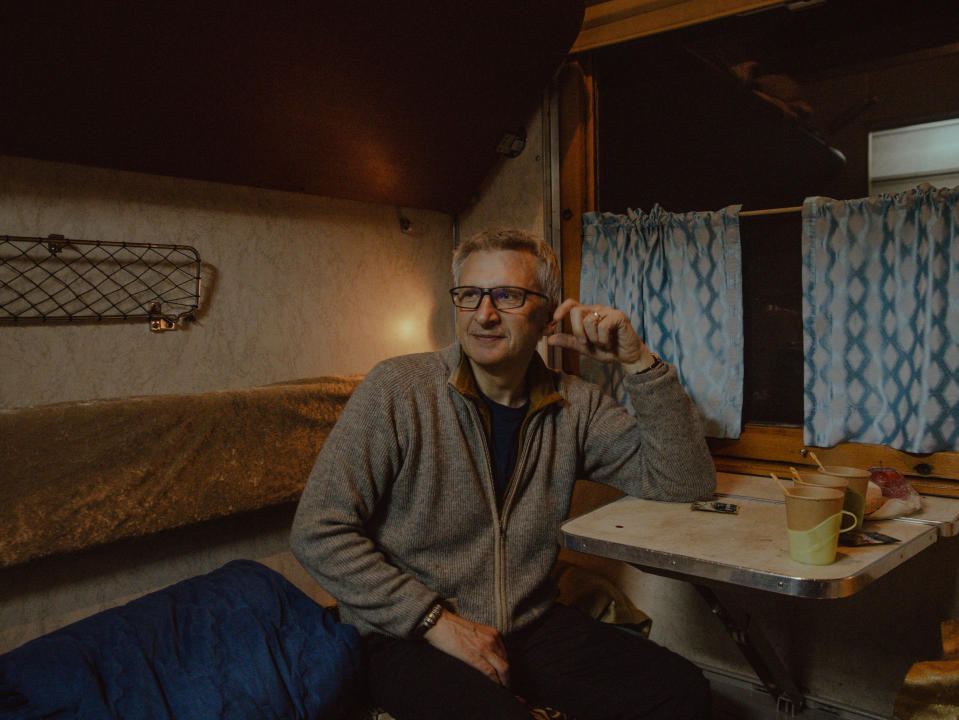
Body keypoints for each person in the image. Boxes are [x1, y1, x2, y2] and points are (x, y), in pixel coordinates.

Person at [291, 229, 716, 719]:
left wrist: (638, 363)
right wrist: (433, 620)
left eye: (507, 296)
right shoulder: (398, 388)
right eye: (469, 295)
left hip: (526, 624)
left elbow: (684, 483)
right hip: (406, 634)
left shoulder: (575, 404)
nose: (484, 314)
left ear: (547, 312)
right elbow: (318, 529)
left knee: (680, 691)